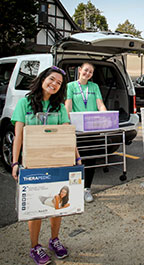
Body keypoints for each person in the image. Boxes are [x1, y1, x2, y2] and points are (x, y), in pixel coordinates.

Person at [11, 66, 82, 264]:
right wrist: (15, 162)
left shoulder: (59, 107)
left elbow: (69, 135)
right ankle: (35, 246)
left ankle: (54, 240)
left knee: (58, 204)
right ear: (42, 79)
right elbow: (18, 136)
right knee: (35, 208)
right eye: (52, 79)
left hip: (57, 162)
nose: (54, 84)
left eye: (59, 83)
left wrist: (77, 158)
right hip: (34, 163)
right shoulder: (25, 103)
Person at [65, 62, 107, 203]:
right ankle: (74, 189)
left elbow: (100, 104)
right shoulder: (70, 86)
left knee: (91, 159)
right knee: (75, 159)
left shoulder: (94, 87)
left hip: (93, 127)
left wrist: (106, 116)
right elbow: (68, 105)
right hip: (77, 129)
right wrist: (67, 122)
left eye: (91, 72)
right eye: (86, 70)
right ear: (79, 70)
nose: (87, 74)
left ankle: (87, 188)